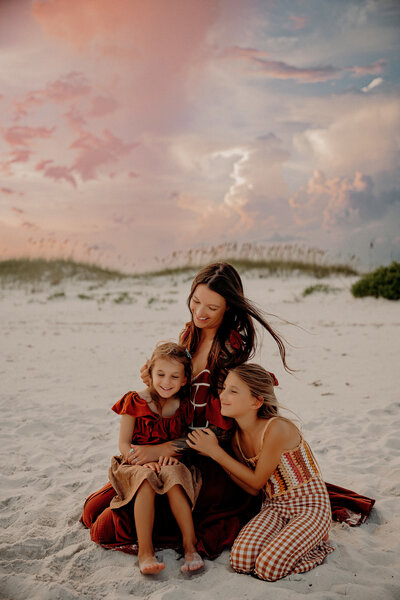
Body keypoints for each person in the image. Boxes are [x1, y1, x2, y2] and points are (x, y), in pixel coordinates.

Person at [81, 262, 289, 557]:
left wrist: (165, 448)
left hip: (205, 455)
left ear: (228, 308)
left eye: (212, 308)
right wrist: (155, 379)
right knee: (92, 509)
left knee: (107, 525)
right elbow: (176, 388)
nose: (200, 312)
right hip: (173, 436)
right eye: (195, 302)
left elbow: (220, 428)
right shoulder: (188, 335)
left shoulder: (229, 350)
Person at [187, 363, 335, 581]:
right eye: (224, 388)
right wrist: (214, 455)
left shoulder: (276, 428)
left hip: (309, 506)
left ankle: (317, 543)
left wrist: (215, 452)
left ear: (256, 402)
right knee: (241, 561)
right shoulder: (237, 439)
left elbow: (256, 481)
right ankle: (291, 540)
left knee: (268, 568)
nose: (223, 395)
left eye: (233, 391)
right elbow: (252, 489)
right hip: (274, 506)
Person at [104, 342, 203, 574]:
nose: (166, 382)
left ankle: (190, 546)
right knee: (145, 478)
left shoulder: (184, 406)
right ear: (149, 374)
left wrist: (172, 456)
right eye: (160, 374)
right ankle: (145, 552)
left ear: (184, 380)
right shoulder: (135, 401)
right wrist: (139, 461)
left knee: (174, 474)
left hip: (167, 461)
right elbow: (123, 443)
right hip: (134, 462)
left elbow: (183, 442)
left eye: (174, 376)